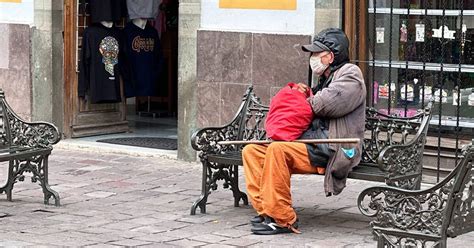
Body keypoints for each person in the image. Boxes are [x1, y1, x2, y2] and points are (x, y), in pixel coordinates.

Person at [242, 28, 366, 235]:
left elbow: (324, 104)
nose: (313, 58)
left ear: (331, 56)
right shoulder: (326, 78)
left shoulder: (351, 74)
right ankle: (268, 211)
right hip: (313, 144)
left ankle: (283, 219)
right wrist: (304, 92)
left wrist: (304, 97)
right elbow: (313, 103)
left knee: (278, 150)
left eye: (318, 53)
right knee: (252, 151)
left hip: (334, 147)